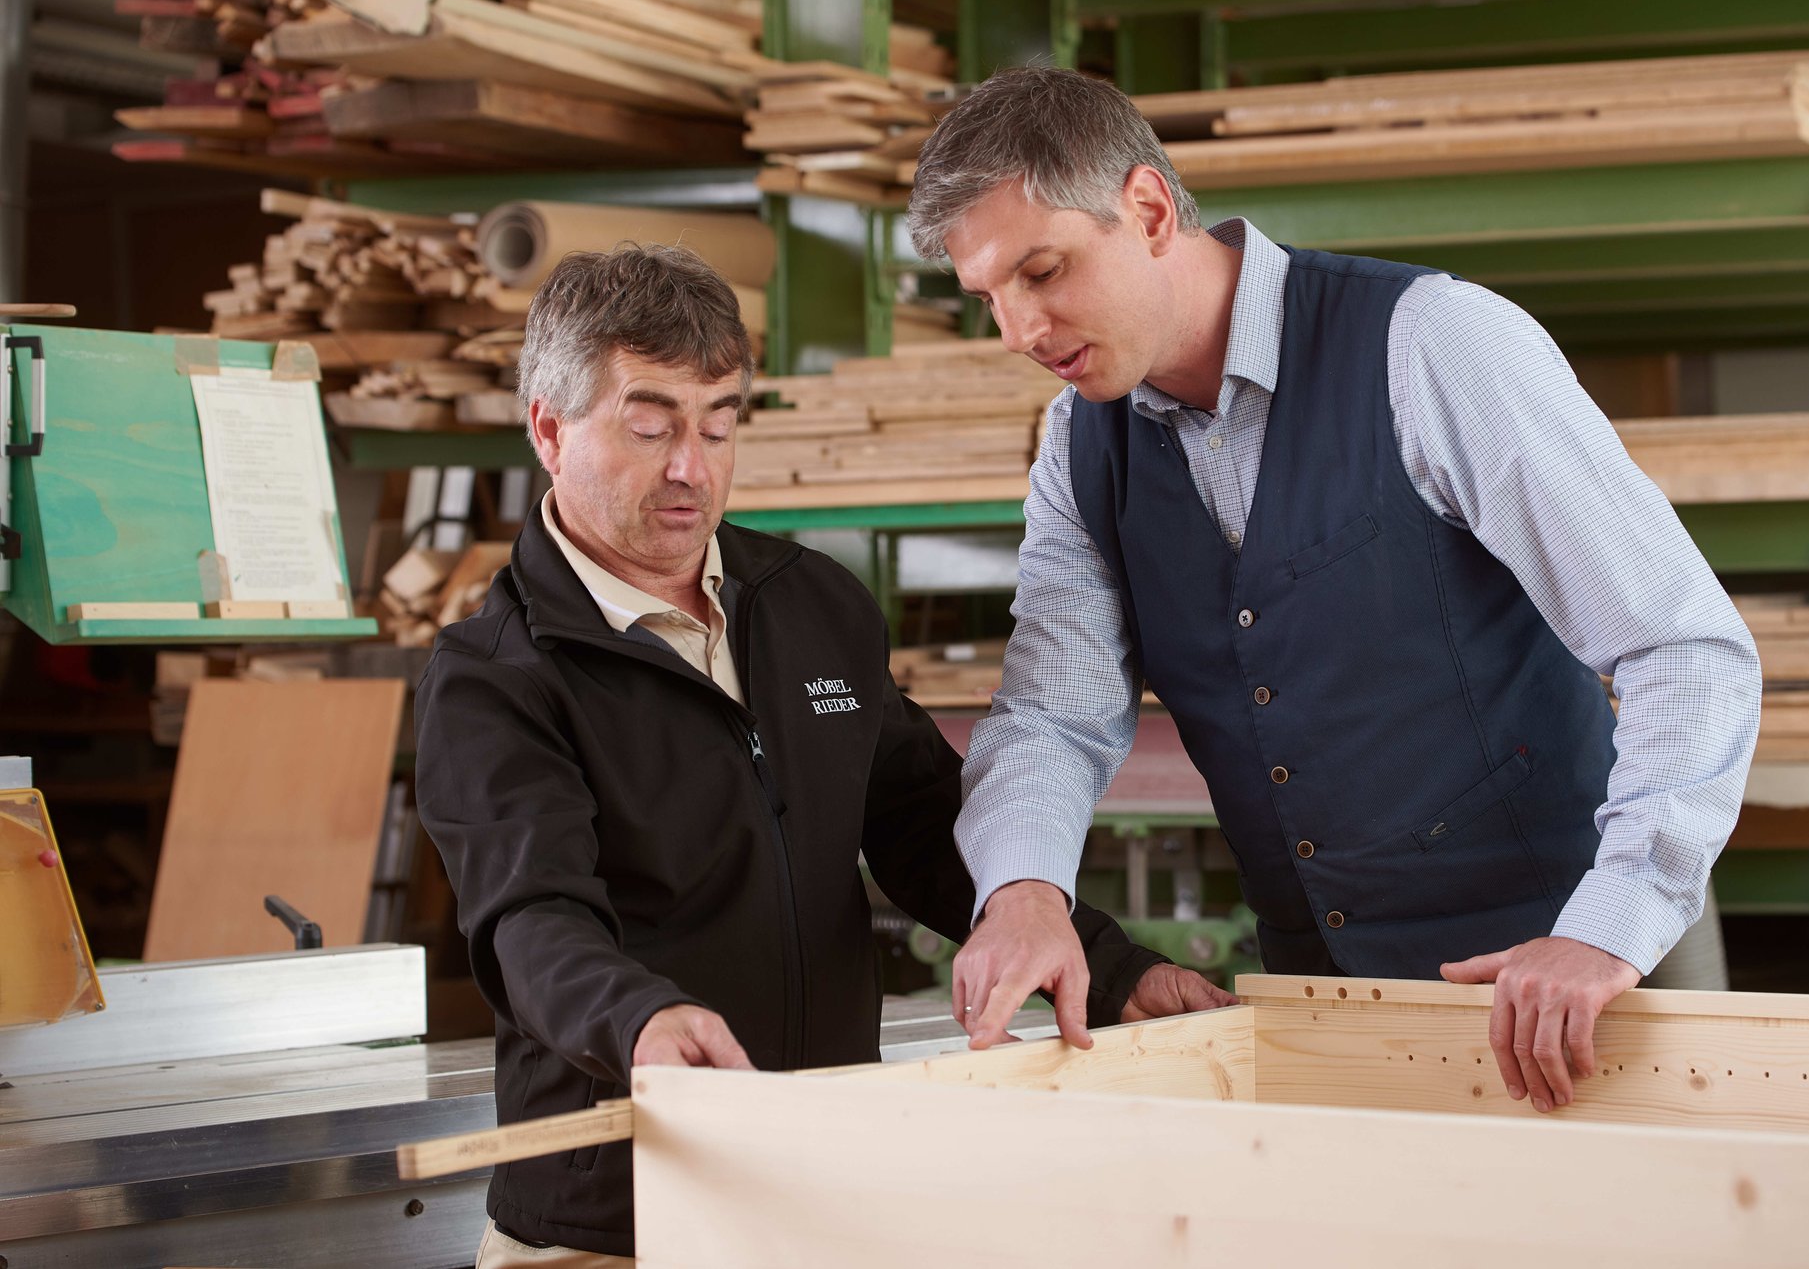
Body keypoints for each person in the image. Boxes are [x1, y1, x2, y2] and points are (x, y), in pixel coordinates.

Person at [907, 68, 1762, 1115]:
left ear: (1144, 207)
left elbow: (1680, 648)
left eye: (1042, 271)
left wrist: (1611, 916)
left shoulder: (1432, 345)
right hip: (1328, 988)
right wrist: (1023, 891)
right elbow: (1051, 709)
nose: (1020, 330)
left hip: (1581, 970)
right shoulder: (1077, 447)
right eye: (990, 296)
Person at [415, 243, 1228, 1267]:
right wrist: (639, 1019)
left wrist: (1111, 967)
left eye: (718, 424)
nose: (690, 468)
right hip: (617, 1216)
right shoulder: (495, 673)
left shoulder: (808, 601)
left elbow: (924, 823)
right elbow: (529, 917)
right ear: (548, 425)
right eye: (651, 424)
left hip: (819, 1192)